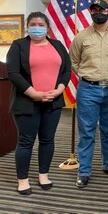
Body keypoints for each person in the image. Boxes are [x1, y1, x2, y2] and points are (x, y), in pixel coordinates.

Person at [6, 11, 71, 195]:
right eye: (33, 24)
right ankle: (23, 180)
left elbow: (67, 70)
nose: (37, 28)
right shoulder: (19, 45)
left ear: (47, 27)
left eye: (41, 25)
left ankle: (43, 174)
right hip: (27, 101)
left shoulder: (57, 45)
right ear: (27, 26)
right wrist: (33, 93)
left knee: (48, 139)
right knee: (26, 141)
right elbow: (13, 73)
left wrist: (59, 89)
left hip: (53, 101)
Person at [69, 0, 108, 188]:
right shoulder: (81, 37)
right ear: (91, 13)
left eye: (101, 9)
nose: (98, 13)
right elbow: (74, 62)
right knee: (86, 132)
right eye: (94, 10)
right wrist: (89, 77)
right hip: (88, 89)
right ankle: (84, 171)